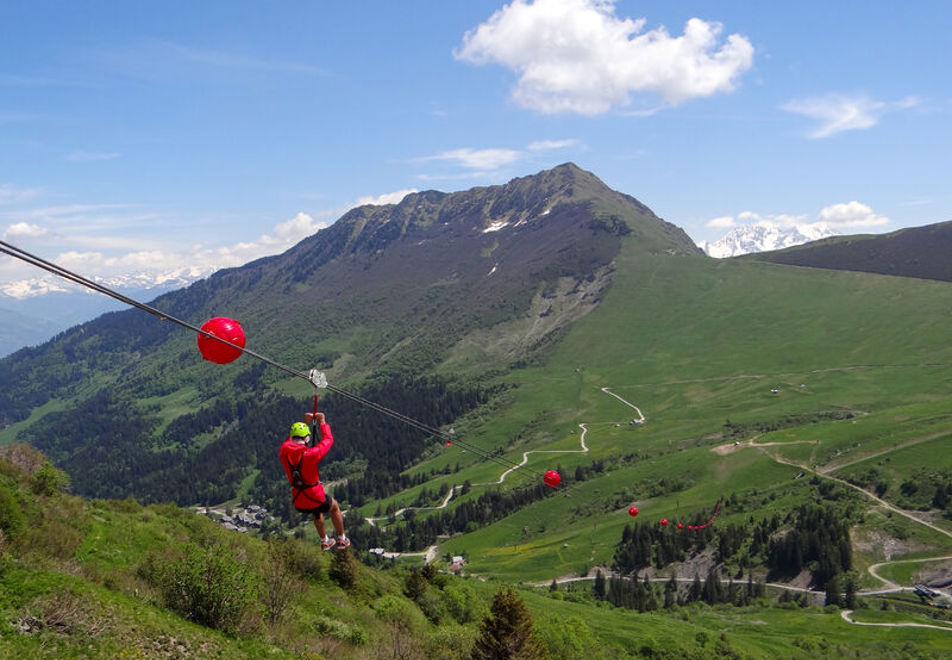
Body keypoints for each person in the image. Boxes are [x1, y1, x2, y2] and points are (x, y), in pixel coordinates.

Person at [279, 411, 350, 551]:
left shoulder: (283, 451)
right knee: (333, 506)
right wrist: (322, 422)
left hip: (298, 499)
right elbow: (328, 440)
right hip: (314, 495)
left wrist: (304, 422)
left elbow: (288, 440)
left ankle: (324, 540)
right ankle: (342, 538)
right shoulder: (311, 454)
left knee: (316, 510)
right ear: (306, 439)